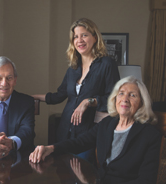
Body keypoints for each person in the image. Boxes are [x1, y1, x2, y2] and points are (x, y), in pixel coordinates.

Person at [29, 76, 162, 184]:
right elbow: (79, 142)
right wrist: (51, 148)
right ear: (115, 98)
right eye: (121, 93)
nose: (125, 98)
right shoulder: (107, 123)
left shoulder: (150, 135)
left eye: (133, 95)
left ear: (142, 103)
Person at [32, 18, 120, 162]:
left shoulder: (107, 64)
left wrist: (88, 101)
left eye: (84, 35)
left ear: (95, 37)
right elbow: (58, 96)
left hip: (89, 133)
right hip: (65, 131)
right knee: (64, 176)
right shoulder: (72, 69)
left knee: (83, 175)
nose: (79, 40)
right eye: (75, 37)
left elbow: (114, 98)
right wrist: (34, 97)